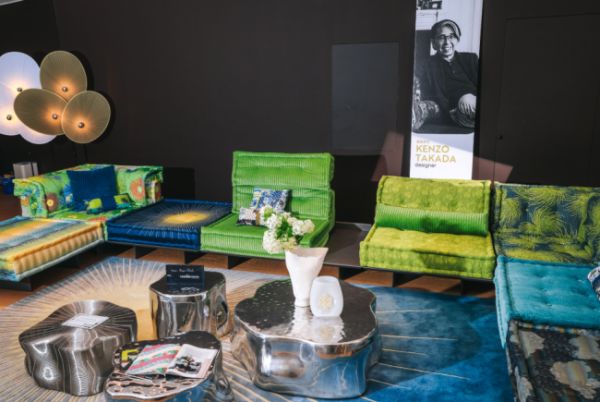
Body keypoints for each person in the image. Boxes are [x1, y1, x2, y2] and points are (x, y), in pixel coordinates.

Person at [412, 19, 479, 130]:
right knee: (468, 100)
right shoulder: (426, 65)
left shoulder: (470, 59)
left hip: (474, 103)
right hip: (455, 110)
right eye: (441, 37)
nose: (447, 42)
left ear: (457, 40)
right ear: (433, 43)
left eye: (451, 36)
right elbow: (413, 80)